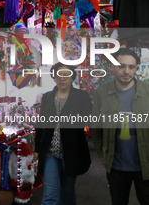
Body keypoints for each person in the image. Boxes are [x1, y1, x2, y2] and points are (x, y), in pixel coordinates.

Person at [91, 48, 149, 205]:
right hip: (116, 165)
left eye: (131, 67)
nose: (126, 71)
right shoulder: (102, 92)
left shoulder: (147, 91)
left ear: (136, 68)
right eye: (121, 66)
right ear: (113, 67)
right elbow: (95, 126)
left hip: (145, 163)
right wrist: (101, 153)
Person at [34, 63, 92, 205]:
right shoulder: (47, 97)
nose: (62, 78)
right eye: (59, 75)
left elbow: (90, 119)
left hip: (72, 152)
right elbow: (40, 125)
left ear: (72, 78)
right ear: (54, 77)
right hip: (50, 152)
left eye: (66, 74)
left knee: (67, 192)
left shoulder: (81, 96)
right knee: (50, 194)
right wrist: (36, 149)